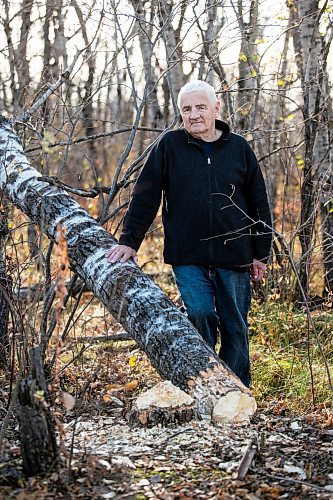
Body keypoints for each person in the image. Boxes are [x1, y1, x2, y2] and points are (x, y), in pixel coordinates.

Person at [106, 80, 272, 387]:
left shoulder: (239, 149)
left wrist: (261, 253)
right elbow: (146, 195)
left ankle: (238, 389)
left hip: (234, 252)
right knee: (200, 313)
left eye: (200, 107)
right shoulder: (169, 146)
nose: (193, 115)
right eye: (186, 109)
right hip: (188, 254)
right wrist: (129, 241)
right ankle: (205, 385)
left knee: (235, 325)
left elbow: (259, 203)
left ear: (216, 108)